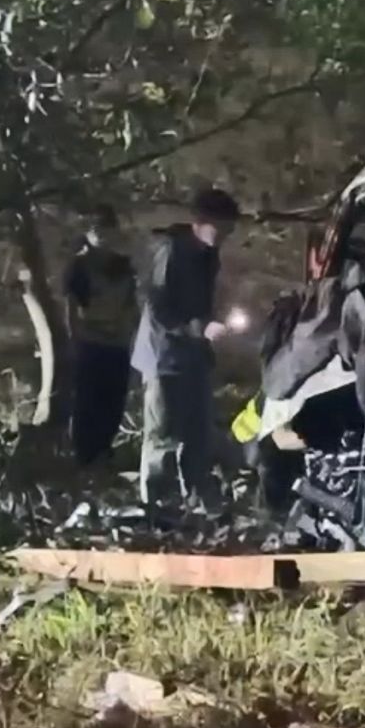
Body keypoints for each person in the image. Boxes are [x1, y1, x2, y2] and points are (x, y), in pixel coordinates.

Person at [131, 186, 243, 508]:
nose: (224, 235)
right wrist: (197, 328)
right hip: (164, 353)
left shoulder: (209, 255)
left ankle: (197, 498)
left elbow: (202, 301)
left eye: (228, 230)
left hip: (194, 354)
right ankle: (158, 505)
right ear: (201, 221)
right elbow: (157, 304)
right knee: (163, 432)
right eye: (220, 228)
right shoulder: (170, 250)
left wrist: (208, 333)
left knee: (198, 431)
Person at [64, 205, 139, 468]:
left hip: (117, 345)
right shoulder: (80, 267)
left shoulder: (123, 267)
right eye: (97, 228)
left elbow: (132, 306)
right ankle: (84, 461)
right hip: (91, 345)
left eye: (107, 228)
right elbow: (72, 309)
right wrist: (77, 340)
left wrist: (127, 333)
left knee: (112, 405)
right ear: (88, 233)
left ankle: (103, 458)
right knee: (87, 405)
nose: (103, 234)